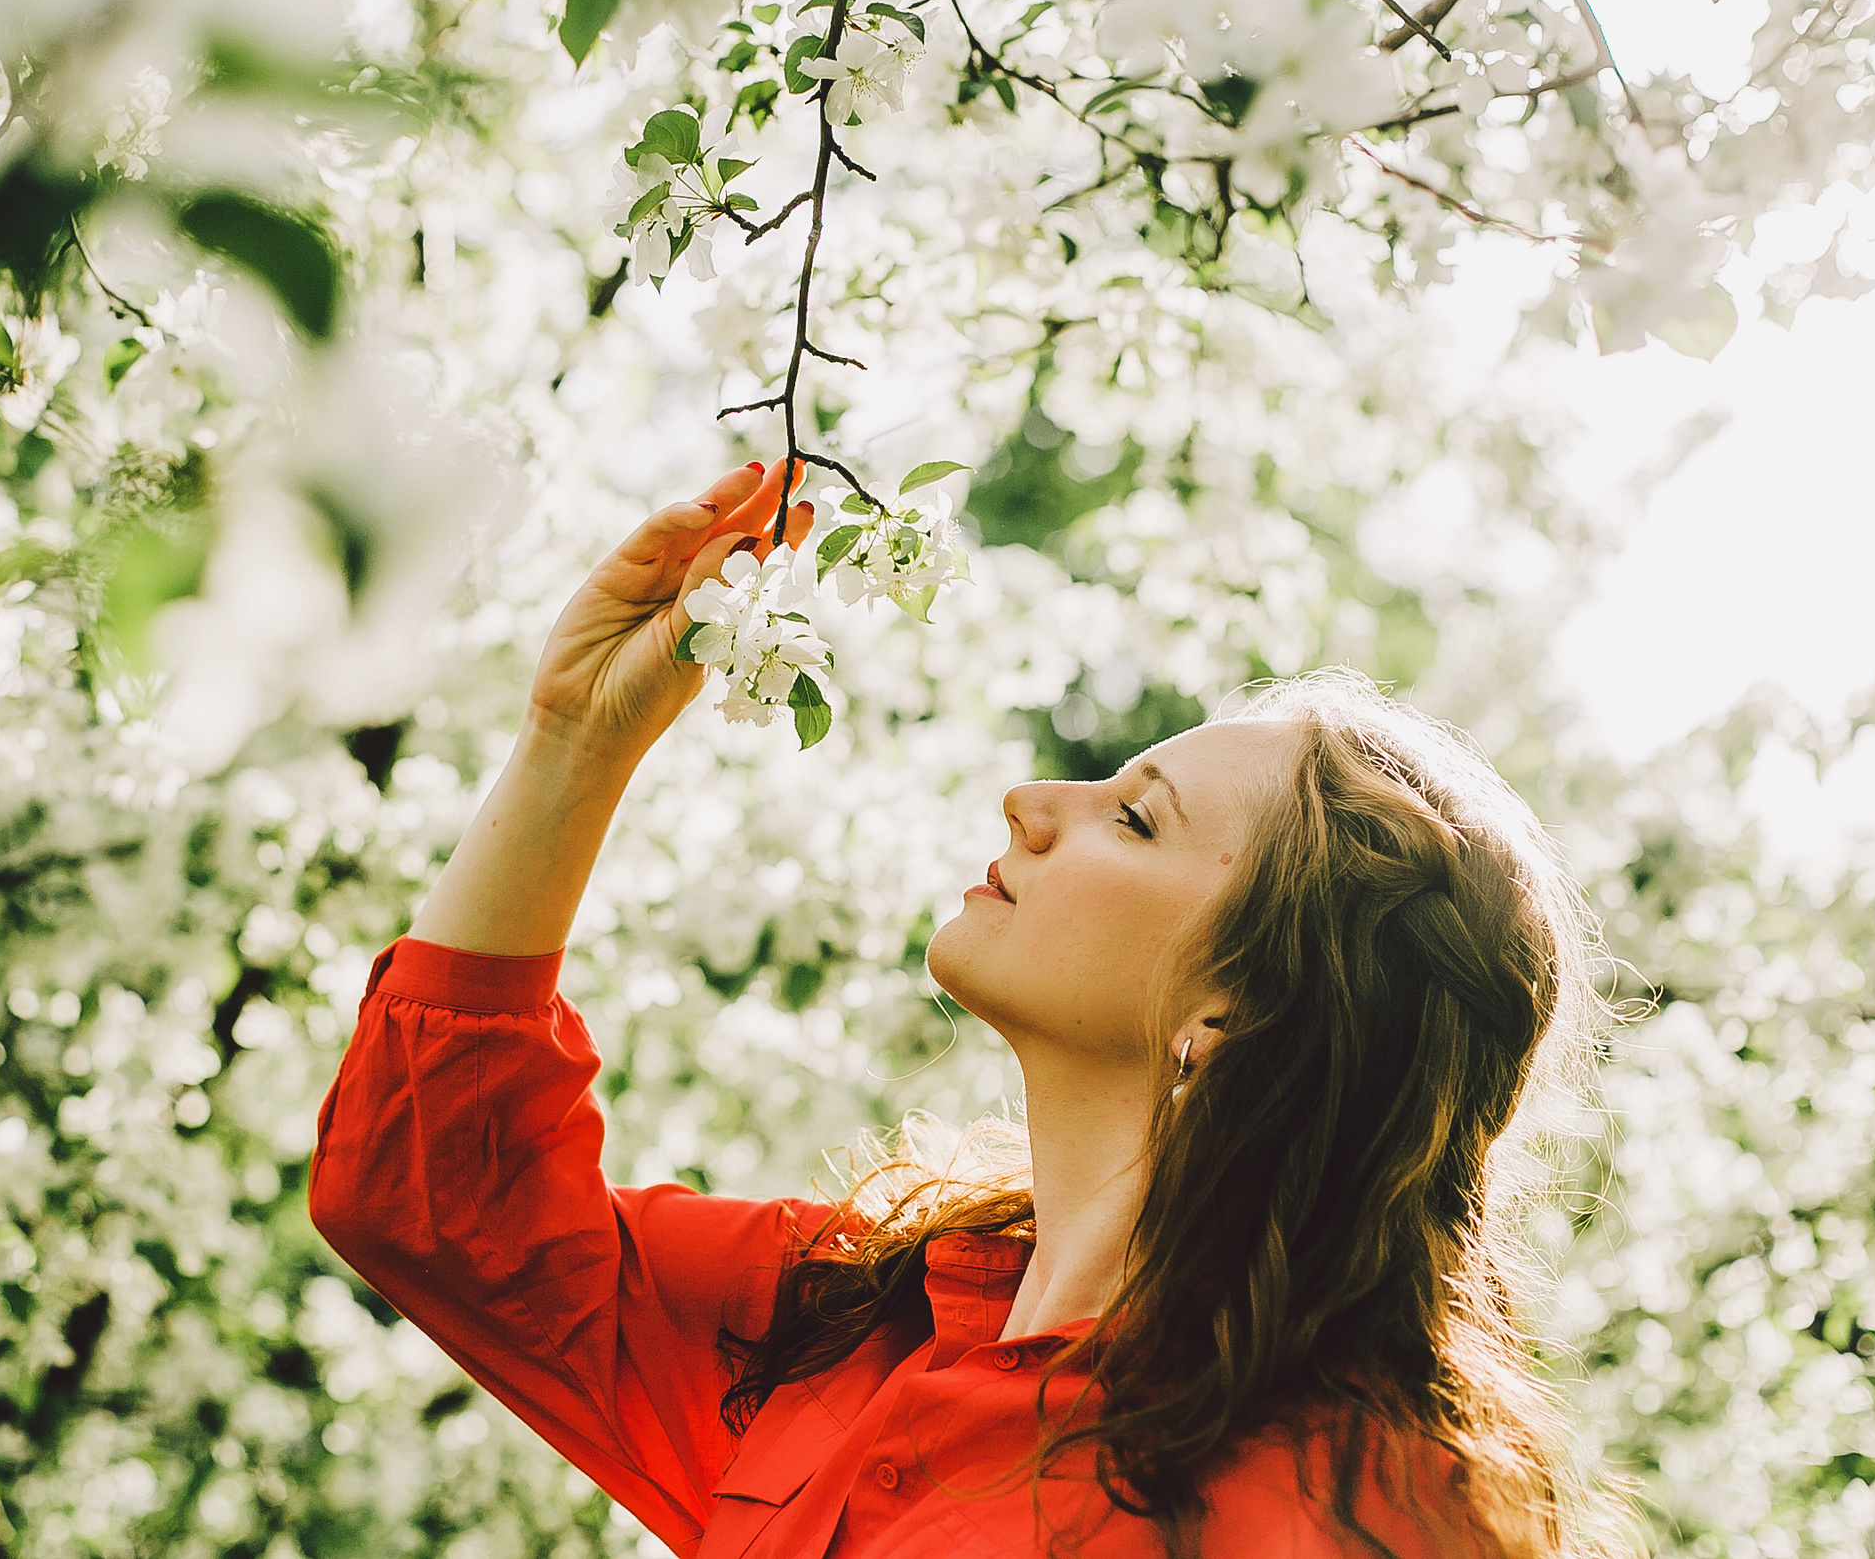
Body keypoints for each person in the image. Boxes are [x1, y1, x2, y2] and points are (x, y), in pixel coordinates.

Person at [309, 459, 1624, 1558]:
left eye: (1133, 817)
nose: (1033, 805)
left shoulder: (1345, 1505)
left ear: (1242, 1009)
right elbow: (442, 1204)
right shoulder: (863, 1314)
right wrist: (575, 741)